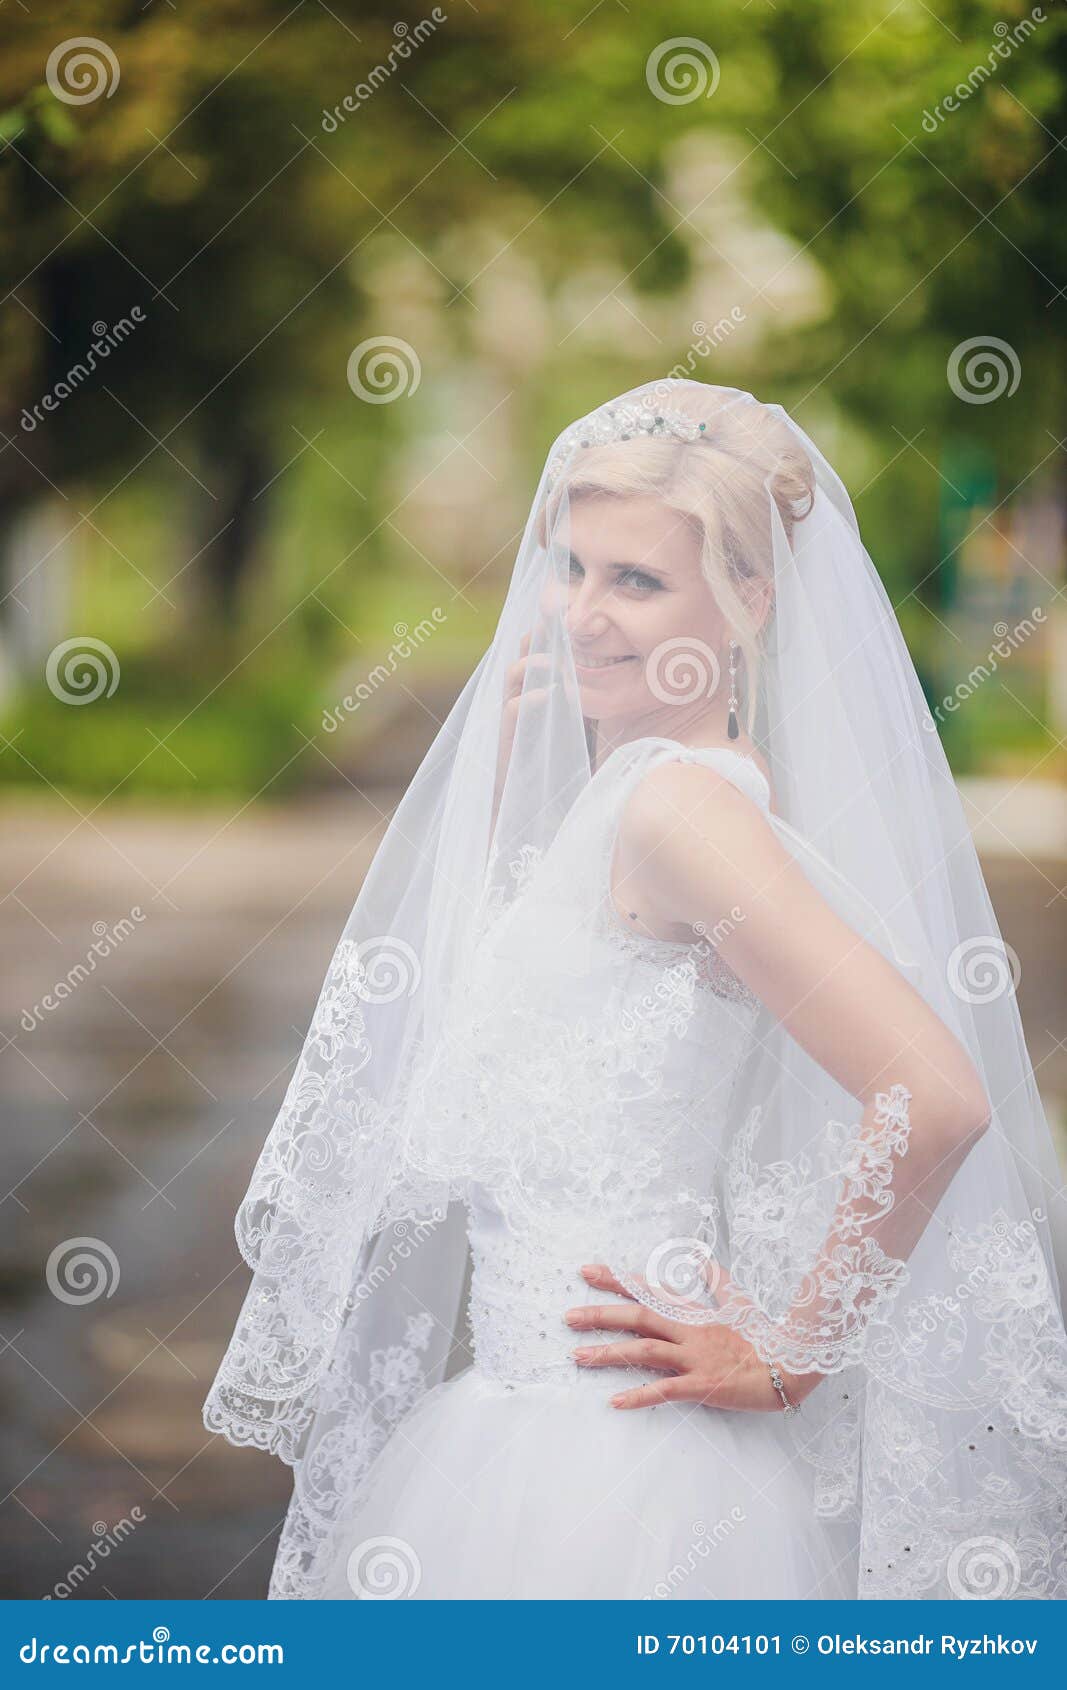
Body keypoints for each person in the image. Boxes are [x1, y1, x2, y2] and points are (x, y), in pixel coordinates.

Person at [203, 379, 1067, 1601]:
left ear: (749, 602)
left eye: (638, 582)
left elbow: (933, 1094)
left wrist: (789, 1352)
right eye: (571, 567)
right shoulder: (644, 796)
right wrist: (512, 791)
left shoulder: (681, 813)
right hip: (515, 1423)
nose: (580, 616)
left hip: (608, 1465)